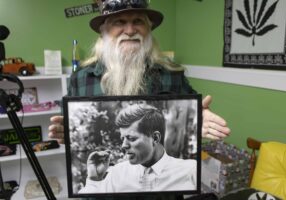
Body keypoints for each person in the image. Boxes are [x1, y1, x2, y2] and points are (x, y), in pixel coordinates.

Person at [49, 0, 231, 199]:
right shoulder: (81, 78)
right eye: (119, 22)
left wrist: (198, 117)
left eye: (138, 21)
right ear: (104, 31)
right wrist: (67, 132)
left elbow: (192, 111)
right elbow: (67, 123)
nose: (129, 30)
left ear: (148, 29)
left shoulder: (172, 74)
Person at [79, 103, 197, 193]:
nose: (123, 145)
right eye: (123, 138)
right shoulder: (116, 175)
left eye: (131, 138)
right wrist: (94, 180)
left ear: (155, 138)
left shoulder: (190, 171)